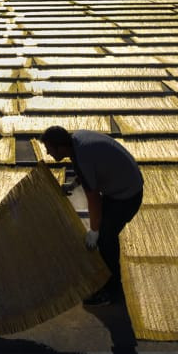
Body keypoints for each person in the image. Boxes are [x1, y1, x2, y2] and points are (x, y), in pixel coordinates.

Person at [40, 125, 143, 307]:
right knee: (106, 233)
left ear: (59, 147)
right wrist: (73, 185)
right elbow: (90, 169)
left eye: (49, 149)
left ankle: (110, 291)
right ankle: (109, 279)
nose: (48, 153)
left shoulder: (82, 157)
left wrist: (94, 231)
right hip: (123, 185)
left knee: (104, 238)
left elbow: (93, 199)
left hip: (127, 195)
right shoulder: (77, 142)